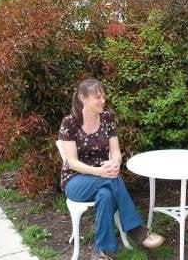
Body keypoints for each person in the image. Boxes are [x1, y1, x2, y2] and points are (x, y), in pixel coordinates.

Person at [58, 78, 164, 260]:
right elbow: (72, 162)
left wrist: (115, 163)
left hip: (103, 177)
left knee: (106, 195)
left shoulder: (106, 118)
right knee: (112, 180)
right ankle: (137, 230)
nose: (103, 101)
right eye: (97, 97)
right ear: (83, 98)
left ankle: (101, 251)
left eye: (104, 97)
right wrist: (100, 171)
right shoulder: (70, 123)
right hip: (75, 180)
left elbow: (116, 152)